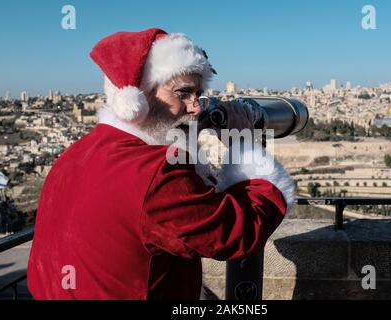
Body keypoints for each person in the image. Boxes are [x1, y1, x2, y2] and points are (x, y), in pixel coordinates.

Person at [27, 28, 295, 300]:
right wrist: (245, 146)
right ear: (138, 98)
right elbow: (238, 234)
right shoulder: (157, 174)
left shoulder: (78, 152)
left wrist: (185, 136)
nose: (196, 108)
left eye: (198, 95)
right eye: (183, 93)